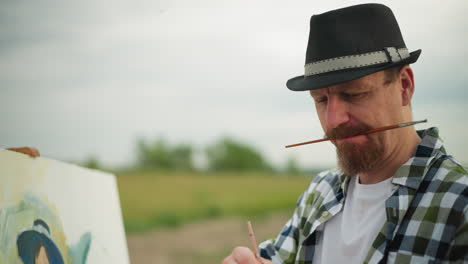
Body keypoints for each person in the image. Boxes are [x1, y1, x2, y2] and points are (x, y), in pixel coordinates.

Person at [222, 3, 467, 264]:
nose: (333, 120)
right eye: (321, 100)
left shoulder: (459, 203)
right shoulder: (321, 191)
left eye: (354, 94)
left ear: (404, 86)